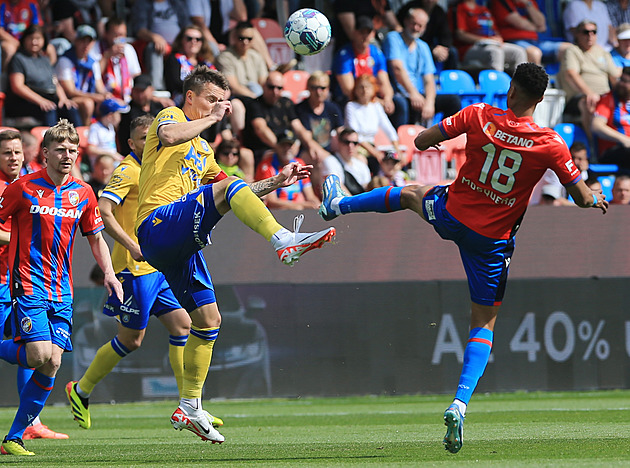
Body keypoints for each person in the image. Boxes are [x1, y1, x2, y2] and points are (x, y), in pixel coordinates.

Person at [317, 62, 608, 454]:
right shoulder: (551, 143)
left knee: (408, 194)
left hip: (452, 215)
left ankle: (338, 205)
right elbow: (581, 196)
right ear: (541, 100)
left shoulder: (478, 115)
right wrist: (596, 199)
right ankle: (459, 403)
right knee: (483, 324)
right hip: (491, 243)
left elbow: (421, 141)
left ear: (509, 90)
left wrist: (431, 140)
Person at [134, 65, 335, 443]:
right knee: (230, 187)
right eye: (211, 99)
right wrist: (211, 117)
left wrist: (276, 181)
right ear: (191, 97)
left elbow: (234, 191)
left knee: (209, 320)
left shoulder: (204, 150)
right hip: (157, 225)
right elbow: (171, 135)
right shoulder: (172, 116)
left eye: (220, 102)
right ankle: (281, 240)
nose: (218, 107)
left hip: (178, 243)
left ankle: (190, 406)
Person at [66, 115, 224, 431]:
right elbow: (103, 210)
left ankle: (191, 405)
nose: (145, 142)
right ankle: (80, 390)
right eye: (140, 138)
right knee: (132, 339)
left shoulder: (161, 168)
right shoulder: (128, 170)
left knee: (183, 326)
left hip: (159, 265)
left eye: (148, 136)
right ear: (132, 143)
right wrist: (131, 245)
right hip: (134, 268)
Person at [0, 119, 123, 456]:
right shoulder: (22, 188)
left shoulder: (83, 193)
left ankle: (13, 438)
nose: (68, 155)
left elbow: (95, 238)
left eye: (73, 149)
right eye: (61, 150)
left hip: (63, 292)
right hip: (28, 285)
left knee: (52, 363)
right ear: (45, 153)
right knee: (38, 354)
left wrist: (110, 274)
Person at [0, 130, 67, 443]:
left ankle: (30, 421)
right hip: (6, 281)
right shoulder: (13, 190)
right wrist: (25, 238)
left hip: (20, 283)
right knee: (32, 350)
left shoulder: (32, 182)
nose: (14, 158)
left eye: (17, 152)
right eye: (6, 153)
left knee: (36, 351)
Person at [382, 6, 461, 128]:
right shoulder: (393, 38)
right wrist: (413, 93)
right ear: (406, 21)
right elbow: (397, 69)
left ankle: (445, 136)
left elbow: (429, 79)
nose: (416, 28)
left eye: (420, 26)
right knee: (402, 104)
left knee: (453, 101)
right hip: (397, 93)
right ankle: (401, 143)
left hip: (418, 94)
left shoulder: (423, 46)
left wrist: (430, 102)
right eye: (413, 24)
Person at [242, 70, 329, 166]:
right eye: (271, 87)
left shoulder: (286, 103)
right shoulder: (255, 104)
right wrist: (279, 147)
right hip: (265, 149)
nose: (275, 91)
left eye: (279, 88)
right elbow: (261, 129)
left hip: (287, 147)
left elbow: (298, 127)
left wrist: (310, 144)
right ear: (264, 86)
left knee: (314, 158)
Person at [4, 24, 81, 128]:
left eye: (38, 38)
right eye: (31, 38)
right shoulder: (18, 59)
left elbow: (54, 82)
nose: (34, 42)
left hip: (49, 97)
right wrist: (40, 101)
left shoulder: (45, 60)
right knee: (49, 109)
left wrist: (63, 99)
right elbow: (17, 87)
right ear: (24, 40)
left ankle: (77, 141)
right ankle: (50, 142)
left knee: (70, 109)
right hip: (26, 102)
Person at [557, 20, 620, 143]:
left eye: (593, 32)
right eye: (586, 32)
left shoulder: (602, 52)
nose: (590, 35)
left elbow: (614, 76)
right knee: (587, 103)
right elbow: (571, 74)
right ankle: (593, 146)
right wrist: (589, 93)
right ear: (578, 34)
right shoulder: (573, 50)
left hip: (604, 96)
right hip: (579, 98)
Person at [332, 16, 398, 119]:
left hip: (372, 96)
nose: (365, 36)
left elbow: (384, 82)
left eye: (369, 32)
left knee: (400, 104)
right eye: (362, 32)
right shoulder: (344, 55)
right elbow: (349, 90)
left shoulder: (376, 53)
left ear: (373, 34)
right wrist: (377, 102)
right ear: (355, 33)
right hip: (352, 98)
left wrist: (388, 99)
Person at [55, 24, 110, 126]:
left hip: (88, 97)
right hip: (68, 100)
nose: (85, 45)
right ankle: (86, 132)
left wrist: (106, 96)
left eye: (89, 41)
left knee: (112, 105)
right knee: (87, 103)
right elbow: (70, 91)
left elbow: (100, 88)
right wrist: (95, 97)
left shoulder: (93, 62)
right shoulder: (65, 60)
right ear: (76, 41)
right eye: (82, 40)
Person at [345, 74, 400, 173]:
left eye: (368, 87)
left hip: (373, 145)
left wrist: (397, 149)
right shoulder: (351, 106)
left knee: (392, 162)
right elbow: (355, 134)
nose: (364, 90)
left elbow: (388, 128)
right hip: (357, 146)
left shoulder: (376, 106)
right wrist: (375, 153)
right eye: (361, 87)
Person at [452, 0, 528, 73]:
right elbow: (460, 34)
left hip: (493, 43)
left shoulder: (484, 9)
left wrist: (498, 39)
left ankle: (519, 84)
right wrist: (484, 40)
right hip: (470, 47)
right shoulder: (459, 8)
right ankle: (497, 84)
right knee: (495, 52)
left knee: (519, 52)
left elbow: (495, 30)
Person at [131, 0, 191, 91]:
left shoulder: (177, 3)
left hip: (180, 44)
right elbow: (139, 30)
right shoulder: (142, 3)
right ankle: (158, 89)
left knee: (198, 41)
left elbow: (188, 26)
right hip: (157, 46)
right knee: (154, 49)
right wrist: (155, 37)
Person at [254, 129, 321, 210]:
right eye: (283, 145)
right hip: (278, 212)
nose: (287, 149)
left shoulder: (300, 163)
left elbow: (310, 196)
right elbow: (272, 201)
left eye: (289, 145)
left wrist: (317, 205)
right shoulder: (266, 166)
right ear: (277, 146)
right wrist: (301, 206)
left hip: (299, 209)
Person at [489, 0, 571, 65]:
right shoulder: (501, 2)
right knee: (535, 53)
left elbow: (541, 23)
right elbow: (520, 23)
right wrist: (538, 27)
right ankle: (538, 85)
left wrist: (528, 4)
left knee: (569, 49)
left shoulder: (529, 2)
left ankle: (566, 83)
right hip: (514, 41)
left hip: (536, 41)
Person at [89, 17, 142, 104]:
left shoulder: (128, 49)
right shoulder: (95, 48)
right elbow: (92, 76)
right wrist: (107, 56)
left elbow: (136, 75)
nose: (120, 39)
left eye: (122, 35)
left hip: (128, 97)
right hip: (105, 98)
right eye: (116, 35)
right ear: (106, 34)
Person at [117, 75, 168, 156]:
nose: (140, 95)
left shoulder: (159, 108)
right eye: (137, 91)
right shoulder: (127, 112)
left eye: (143, 91)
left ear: (151, 90)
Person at [295, 71, 344, 156]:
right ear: (308, 88)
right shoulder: (300, 109)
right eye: (314, 88)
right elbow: (306, 138)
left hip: (329, 152)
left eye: (322, 88)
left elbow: (341, 131)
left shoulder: (333, 108)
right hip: (308, 152)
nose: (318, 92)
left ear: (328, 89)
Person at [215, 21, 268, 99]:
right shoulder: (225, 57)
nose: (245, 42)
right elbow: (234, 87)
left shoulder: (256, 56)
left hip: (257, 96)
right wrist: (255, 98)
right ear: (235, 37)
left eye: (249, 39)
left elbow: (263, 82)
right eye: (241, 38)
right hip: (237, 97)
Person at [165, 25, 215, 106]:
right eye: (189, 38)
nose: (193, 42)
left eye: (198, 39)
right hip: (182, 99)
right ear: (182, 40)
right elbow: (175, 83)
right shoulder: (174, 59)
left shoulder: (206, 63)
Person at [592, 66, 630, 169]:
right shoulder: (608, 99)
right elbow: (597, 126)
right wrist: (625, 140)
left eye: (626, 82)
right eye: (621, 79)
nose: (621, 84)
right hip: (612, 150)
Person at [320, 127, 372, 195]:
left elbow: (367, 188)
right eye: (346, 142)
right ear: (339, 143)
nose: (350, 146)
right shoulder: (330, 161)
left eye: (354, 143)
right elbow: (337, 189)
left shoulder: (361, 164)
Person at [87, 98, 129, 169]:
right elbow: (90, 149)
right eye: (118, 114)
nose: (120, 117)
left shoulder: (111, 127)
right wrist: (110, 154)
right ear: (110, 116)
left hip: (113, 161)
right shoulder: (95, 128)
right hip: (102, 165)